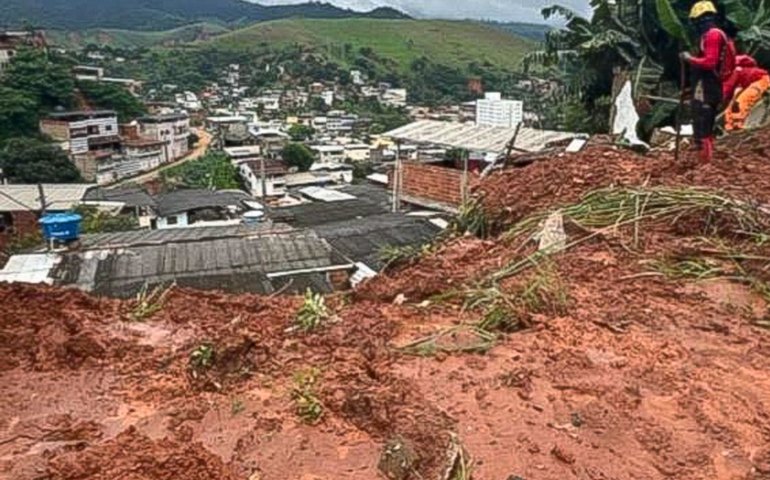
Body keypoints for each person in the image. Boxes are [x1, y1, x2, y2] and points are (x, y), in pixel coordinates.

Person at [680, 0, 737, 162]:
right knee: (704, 121)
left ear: (700, 20)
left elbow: (710, 62)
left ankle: (704, 161)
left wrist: (689, 59)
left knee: (702, 122)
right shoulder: (714, 35)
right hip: (710, 84)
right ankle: (705, 159)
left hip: (708, 85)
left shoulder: (712, 35)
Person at [725, 55, 770, 131]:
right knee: (732, 105)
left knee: (741, 101)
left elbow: (728, 86)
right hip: (752, 83)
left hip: (762, 81)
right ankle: (731, 126)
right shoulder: (740, 69)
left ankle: (737, 125)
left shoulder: (737, 70)